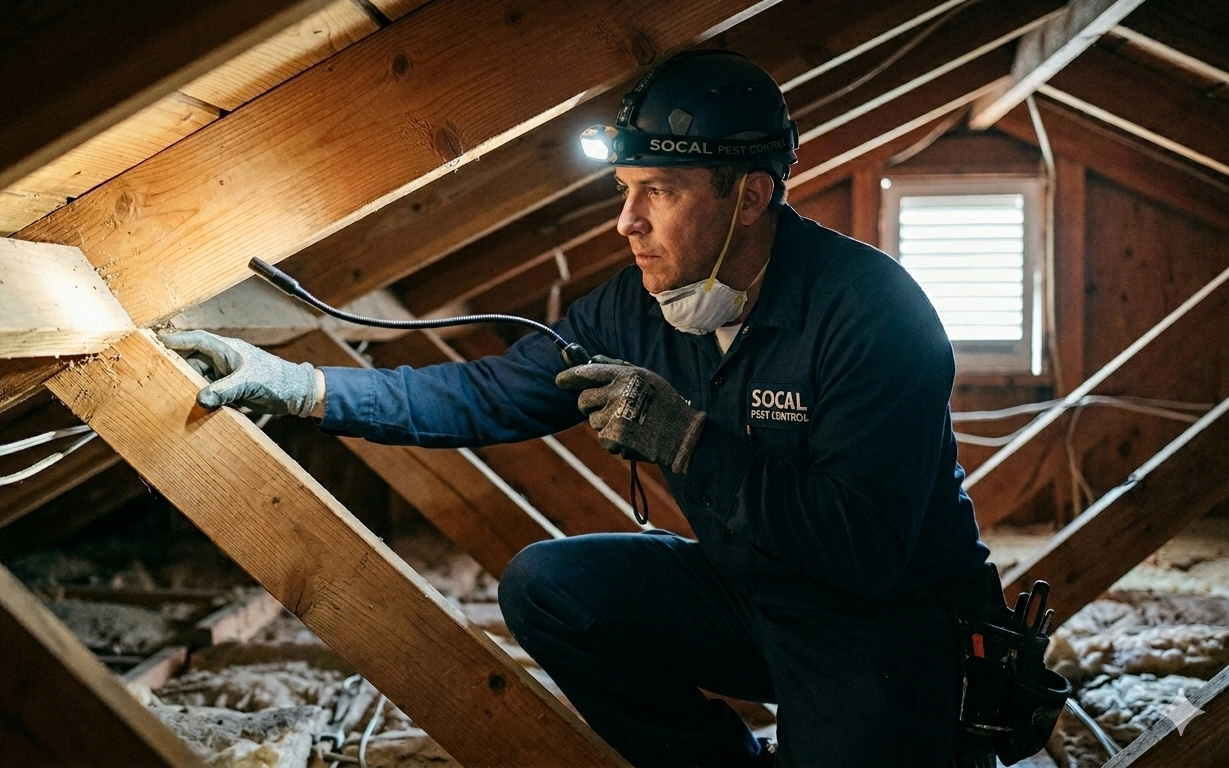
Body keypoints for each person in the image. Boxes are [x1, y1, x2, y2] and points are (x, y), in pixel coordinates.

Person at [162, 50, 996, 767]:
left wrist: (686, 438)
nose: (627, 221)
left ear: (750, 195)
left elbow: (863, 552)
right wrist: (299, 384)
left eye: (659, 191)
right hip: (753, 597)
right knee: (552, 586)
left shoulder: (870, 311)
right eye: (626, 189)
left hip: (884, 626)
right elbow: (490, 393)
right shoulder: (636, 307)